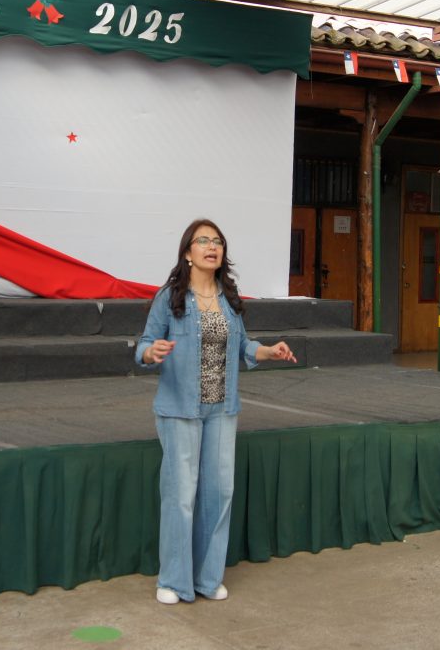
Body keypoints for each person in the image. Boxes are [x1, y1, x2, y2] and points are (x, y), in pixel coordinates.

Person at [135, 219, 296, 606]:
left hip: (222, 409)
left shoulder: (228, 297)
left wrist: (269, 351)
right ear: (188, 252)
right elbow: (142, 345)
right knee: (181, 495)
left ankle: (208, 579)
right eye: (203, 240)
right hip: (180, 411)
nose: (212, 246)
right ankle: (173, 581)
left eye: (218, 241)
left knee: (219, 493)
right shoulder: (169, 297)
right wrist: (151, 352)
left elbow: (244, 347)